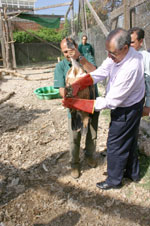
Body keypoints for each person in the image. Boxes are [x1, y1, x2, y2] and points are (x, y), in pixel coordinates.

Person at [63, 28, 145, 190]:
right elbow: (102, 71)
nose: (109, 56)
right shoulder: (116, 54)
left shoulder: (131, 67)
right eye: (107, 51)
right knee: (129, 139)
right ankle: (132, 173)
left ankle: (114, 180)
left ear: (126, 48)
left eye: (112, 53)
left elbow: (110, 102)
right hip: (130, 102)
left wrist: (76, 103)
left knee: (115, 143)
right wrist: (80, 83)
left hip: (127, 108)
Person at [54, 37, 99, 179]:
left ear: (77, 47)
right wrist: (70, 92)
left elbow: (96, 72)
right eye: (65, 51)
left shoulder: (87, 59)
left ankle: (90, 156)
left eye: (71, 50)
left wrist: (80, 58)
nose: (68, 54)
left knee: (92, 134)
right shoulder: (61, 67)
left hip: (92, 103)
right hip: (74, 107)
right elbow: (61, 90)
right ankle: (74, 163)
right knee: (74, 137)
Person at [128, 27, 150, 116]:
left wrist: (148, 105)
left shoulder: (144, 57)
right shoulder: (126, 56)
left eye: (132, 42)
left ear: (141, 42)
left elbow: (148, 81)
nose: (129, 45)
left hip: (136, 103)